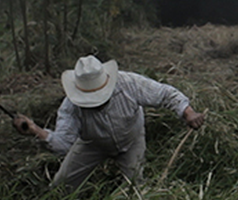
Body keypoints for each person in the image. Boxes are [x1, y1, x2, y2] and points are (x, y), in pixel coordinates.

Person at [14, 55, 205, 192]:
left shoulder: (129, 83)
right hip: (92, 144)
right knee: (60, 187)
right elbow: (64, 143)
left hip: (131, 140)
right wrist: (34, 130)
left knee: (138, 190)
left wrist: (188, 113)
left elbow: (165, 94)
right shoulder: (70, 107)